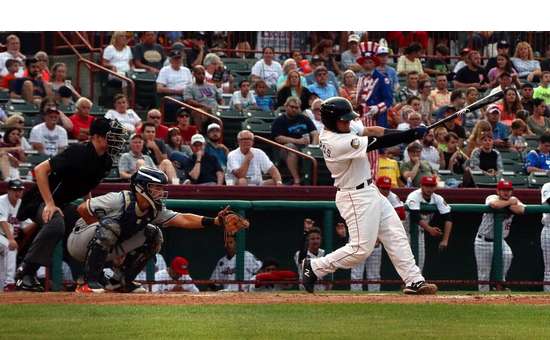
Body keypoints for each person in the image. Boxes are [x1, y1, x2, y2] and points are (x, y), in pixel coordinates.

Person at [301, 97, 437, 295]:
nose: (348, 123)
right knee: (360, 250)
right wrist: (411, 134)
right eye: (344, 120)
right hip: (354, 197)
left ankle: (414, 280)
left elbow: (376, 131)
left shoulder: (344, 128)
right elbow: (378, 142)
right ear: (332, 121)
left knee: (395, 234)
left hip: (369, 190)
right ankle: (314, 267)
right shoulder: (336, 141)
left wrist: (408, 133)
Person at [66, 167, 232, 293]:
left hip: (109, 244)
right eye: (156, 188)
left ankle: (120, 282)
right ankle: (89, 281)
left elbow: (183, 219)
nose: (160, 192)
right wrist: (102, 230)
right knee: (112, 225)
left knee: (154, 234)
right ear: (141, 187)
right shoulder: (119, 199)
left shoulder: (155, 209)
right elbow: (82, 209)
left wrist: (216, 221)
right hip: (79, 241)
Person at [15, 118, 126, 291]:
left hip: (63, 204)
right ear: (96, 137)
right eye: (112, 137)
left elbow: (86, 186)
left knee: (97, 227)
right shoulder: (78, 152)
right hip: (39, 200)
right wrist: (49, 204)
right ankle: (26, 272)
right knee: (56, 221)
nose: (117, 141)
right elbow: (40, 170)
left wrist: (89, 212)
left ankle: (92, 275)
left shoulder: (106, 161)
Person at [350, 176, 405, 292]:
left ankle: (374, 298)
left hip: (377, 238)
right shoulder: (367, 196)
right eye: (383, 188)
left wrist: (378, 237)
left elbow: (401, 214)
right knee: (357, 272)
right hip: (361, 235)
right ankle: (354, 297)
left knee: (374, 273)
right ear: (377, 187)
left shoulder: (391, 196)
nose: (385, 191)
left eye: (387, 188)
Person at [475, 180, 524, 292]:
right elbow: (494, 205)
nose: (506, 192)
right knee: (484, 274)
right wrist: (510, 203)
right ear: (498, 191)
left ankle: (500, 285)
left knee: (508, 254)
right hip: (483, 241)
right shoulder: (492, 197)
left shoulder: (514, 199)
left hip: (500, 240)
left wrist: (509, 204)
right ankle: (483, 297)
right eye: (503, 190)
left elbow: (521, 210)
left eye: (508, 190)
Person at [405, 175, 453, 272]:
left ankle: (417, 285)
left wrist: (445, 240)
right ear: (421, 186)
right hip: (405, 232)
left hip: (421, 233)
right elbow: (415, 217)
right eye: (426, 186)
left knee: (420, 264)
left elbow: (448, 218)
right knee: (407, 264)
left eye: (431, 186)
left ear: (435, 186)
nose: (429, 188)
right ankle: (407, 285)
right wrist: (430, 229)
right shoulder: (414, 195)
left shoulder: (437, 198)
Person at [271, 96, 319, 185]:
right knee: (291, 147)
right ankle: (296, 179)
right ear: (286, 106)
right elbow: (278, 138)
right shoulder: (279, 120)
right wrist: (298, 141)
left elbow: (315, 133)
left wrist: (313, 146)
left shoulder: (304, 118)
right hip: (284, 149)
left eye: (296, 108)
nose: (294, 109)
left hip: (305, 148)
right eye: (292, 107)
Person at [0, 180, 26, 291]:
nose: (17, 192)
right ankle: (10, 282)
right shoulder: (1, 200)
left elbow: (26, 227)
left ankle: (3, 290)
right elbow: (2, 221)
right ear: (8, 190)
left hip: (5, 238)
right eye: (14, 190)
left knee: (1, 267)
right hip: (2, 235)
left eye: (20, 190)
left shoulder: (22, 204)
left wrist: (39, 223)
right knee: (10, 248)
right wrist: (11, 240)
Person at [294, 227, 328, 292]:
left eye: (318, 238)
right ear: (308, 240)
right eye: (312, 239)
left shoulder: (324, 253)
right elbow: (302, 264)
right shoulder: (299, 254)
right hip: (305, 290)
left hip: (321, 289)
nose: (315, 241)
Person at [540, 182, 550, 292]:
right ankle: (547, 296)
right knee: (549, 268)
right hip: (549, 229)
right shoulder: (547, 185)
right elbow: (548, 202)